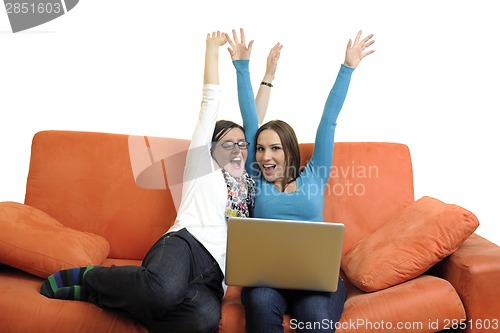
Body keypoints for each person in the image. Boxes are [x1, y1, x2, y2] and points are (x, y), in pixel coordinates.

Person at [39, 31, 257, 333]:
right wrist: (212, 51)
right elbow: (210, 102)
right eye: (227, 143)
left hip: (214, 277)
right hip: (186, 245)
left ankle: (99, 296)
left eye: (241, 143)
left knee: (203, 321)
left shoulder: (248, 184)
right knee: (163, 290)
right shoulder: (201, 165)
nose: (237, 149)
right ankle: (92, 277)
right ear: (209, 148)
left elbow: (256, 124)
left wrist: (265, 74)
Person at [226, 28, 375, 332]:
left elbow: (328, 119)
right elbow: (249, 119)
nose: (266, 156)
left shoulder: (315, 174)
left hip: (315, 283)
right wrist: (243, 68)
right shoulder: (257, 177)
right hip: (267, 281)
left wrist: (347, 69)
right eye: (262, 148)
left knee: (316, 316)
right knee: (260, 303)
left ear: (290, 152)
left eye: (276, 148)